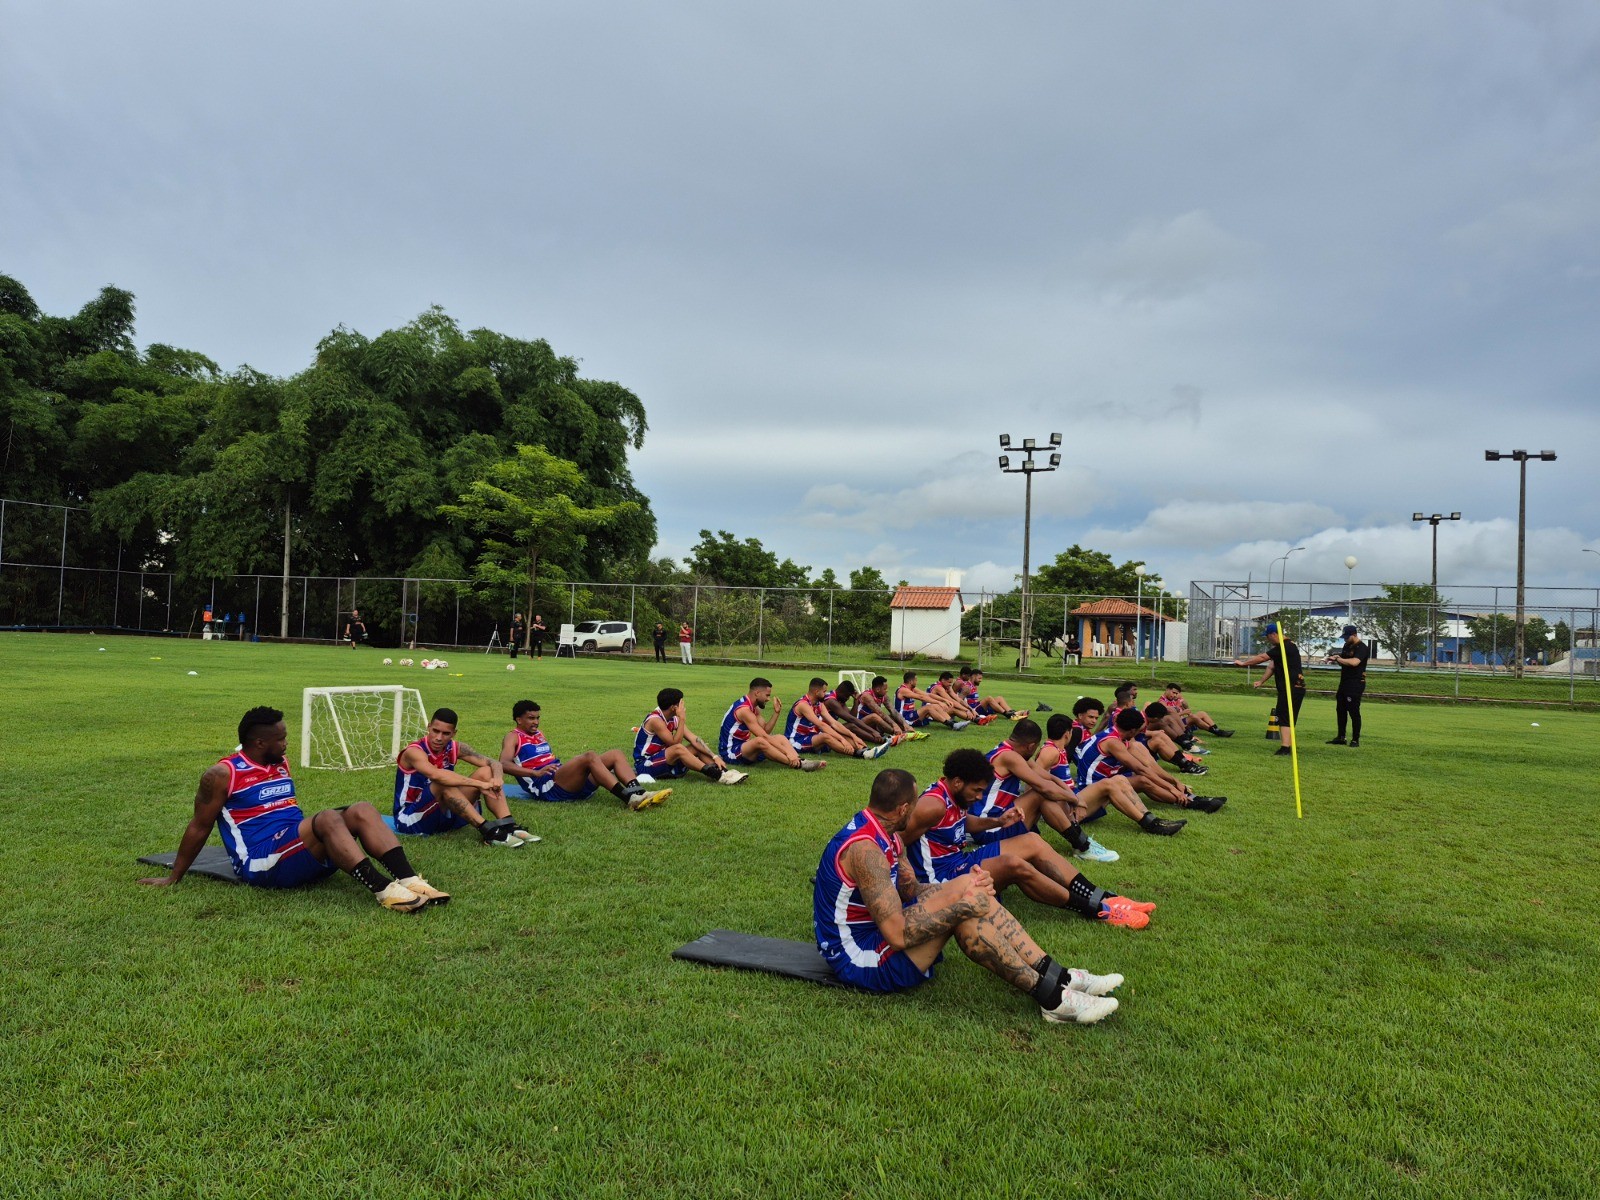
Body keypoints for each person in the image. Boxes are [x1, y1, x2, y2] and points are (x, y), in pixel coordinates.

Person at [813, 768, 1126, 1024]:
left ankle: (1061, 976)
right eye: (916, 800)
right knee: (964, 915)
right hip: (860, 957)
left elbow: (912, 890)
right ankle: (1053, 999)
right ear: (903, 808)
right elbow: (895, 934)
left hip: (878, 931)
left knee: (970, 889)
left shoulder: (888, 834)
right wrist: (961, 904)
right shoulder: (866, 851)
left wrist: (966, 887)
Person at [139, 705, 447, 912]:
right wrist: (174, 876)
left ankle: (409, 881)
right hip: (260, 862)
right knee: (326, 818)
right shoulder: (221, 775)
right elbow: (199, 825)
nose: (287, 743)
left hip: (294, 849)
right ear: (259, 743)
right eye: (281, 738)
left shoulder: (278, 762)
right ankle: (384, 890)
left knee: (362, 809)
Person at [902, 749, 1158, 926]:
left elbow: (962, 821)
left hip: (958, 861)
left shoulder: (954, 794)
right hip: (941, 879)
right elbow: (897, 842)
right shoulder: (931, 805)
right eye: (977, 791)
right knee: (1014, 865)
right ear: (957, 782)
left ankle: (1105, 897)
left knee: (1032, 842)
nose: (979, 797)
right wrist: (910, 891)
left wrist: (997, 821)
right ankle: (1098, 910)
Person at [395, 708, 538, 844]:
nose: (438, 738)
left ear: (454, 733)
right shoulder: (414, 751)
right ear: (429, 727)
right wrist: (480, 785)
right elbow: (436, 775)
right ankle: (488, 831)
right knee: (442, 782)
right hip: (410, 819)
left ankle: (509, 824)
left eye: (445, 733)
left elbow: (493, 762)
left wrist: (498, 779)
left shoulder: (455, 747)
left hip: (442, 814)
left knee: (487, 771)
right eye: (435, 731)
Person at [1038, 712, 1186, 842]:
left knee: (1119, 780)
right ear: (1067, 734)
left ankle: (1151, 819)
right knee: (1110, 784)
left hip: (1072, 798)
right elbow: (1034, 781)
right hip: (1064, 808)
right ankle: (1152, 824)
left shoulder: (1057, 749)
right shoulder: (1050, 751)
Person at [499, 699, 672, 810]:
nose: (535, 722)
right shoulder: (513, 737)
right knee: (589, 756)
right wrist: (535, 773)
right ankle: (629, 798)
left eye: (537, 718)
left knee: (615, 754)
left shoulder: (538, 733)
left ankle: (640, 793)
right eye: (531, 718)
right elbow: (504, 764)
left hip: (562, 779)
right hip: (545, 786)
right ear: (518, 719)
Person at [1076, 707, 1226, 813]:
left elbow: (1149, 767)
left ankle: (1190, 795)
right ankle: (1190, 802)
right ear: (1133, 731)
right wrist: (1171, 788)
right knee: (1143, 780)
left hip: (1106, 778)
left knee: (1144, 764)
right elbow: (1141, 770)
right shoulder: (1113, 742)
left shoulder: (1119, 736)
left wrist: (1174, 782)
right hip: (1092, 787)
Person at [633, 688, 747, 785]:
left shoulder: (673, 717)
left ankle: (724, 772)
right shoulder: (655, 720)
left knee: (695, 746)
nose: (683, 705)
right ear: (674, 707)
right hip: (645, 765)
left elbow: (693, 739)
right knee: (679, 748)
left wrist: (714, 756)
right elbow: (675, 744)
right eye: (681, 703)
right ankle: (718, 776)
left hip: (662, 759)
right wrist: (682, 719)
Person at [718, 678, 826, 771]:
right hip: (730, 753)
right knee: (760, 741)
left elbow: (765, 730)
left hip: (744, 748)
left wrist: (776, 713)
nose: (768, 699)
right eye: (767, 695)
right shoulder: (744, 710)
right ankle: (799, 764)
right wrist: (786, 752)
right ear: (757, 693)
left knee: (780, 737)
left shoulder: (753, 707)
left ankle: (798, 759)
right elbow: (763, 736)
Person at [1235, 622, 1306, 756]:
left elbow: (1262, 658)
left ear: (1274, 634)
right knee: (1285, 715)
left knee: (1284, 716)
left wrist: (1244, 664)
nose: (1267, 640)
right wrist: (1261, 681)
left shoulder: (1284, 647)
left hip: (1291, 687)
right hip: (1295, 687)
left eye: (1268, 637)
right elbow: (1271, 667)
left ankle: (1285, 747)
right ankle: (1288, 745)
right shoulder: (1284, 648)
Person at [786, 678, 889, 759]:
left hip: (812, 737)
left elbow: (834, 723)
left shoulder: (819, 704)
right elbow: (821, 725)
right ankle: (860, 754)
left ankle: (866, 750)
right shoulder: (803, 705)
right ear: (817, 692)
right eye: (824, 691)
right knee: (826, 736)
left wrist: (853, 736)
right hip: (796, 741)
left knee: (843, 733)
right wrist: (842, 740)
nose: (825, 693)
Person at [823, 680, 904, 747]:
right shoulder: (831, 701)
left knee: (853, 725)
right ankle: (885, 740)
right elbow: (851, 719)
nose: (847, 699)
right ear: (841, 692)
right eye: (847, 696)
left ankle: (890, 736)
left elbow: (851, 717)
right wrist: (872, 731)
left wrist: (856, 701)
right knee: (853, 726)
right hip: (823, 730)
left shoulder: (840, 699)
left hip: (832, 727)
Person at [1326, 624, 1369, 747]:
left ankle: (1355, 739)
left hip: (1355, 683)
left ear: (1354, 635)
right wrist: (1335, 658)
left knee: (1353, 711)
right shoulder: (1347, 645)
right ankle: (1341, 737)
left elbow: (1355, 662)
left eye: (1346, 637)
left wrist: (1339, 659)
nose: (1344, 639)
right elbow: (1344, 661)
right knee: (1341, 709)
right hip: (1344, 682)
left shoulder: (1362, 648)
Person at [896, 670, 969, 730]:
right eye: (916, 680)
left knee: (935, 706)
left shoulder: (912, 688)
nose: (917, 682)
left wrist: (943, 700)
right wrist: (939, 702)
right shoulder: (903, 690)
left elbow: (928, 694)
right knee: (929, 708)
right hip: (904, 719)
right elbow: (922, 697)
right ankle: (952, 725)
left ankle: (954, 723)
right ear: (911, 681)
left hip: (910, 715)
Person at [1156, 682, 1234, 738]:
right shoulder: (1162, 702)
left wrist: (1181, 699)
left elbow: (1185, 706)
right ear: (1167, 690)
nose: (1174, 695)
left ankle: (1217, 729)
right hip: (1175, 725)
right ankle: (1217, 732)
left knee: (1202, 713)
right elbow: (1168, 719)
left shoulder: (1173, 700)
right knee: (1193, 717)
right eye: (1173, 692)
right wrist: (1183, 713)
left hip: (1182, 722)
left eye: (1176, 693)